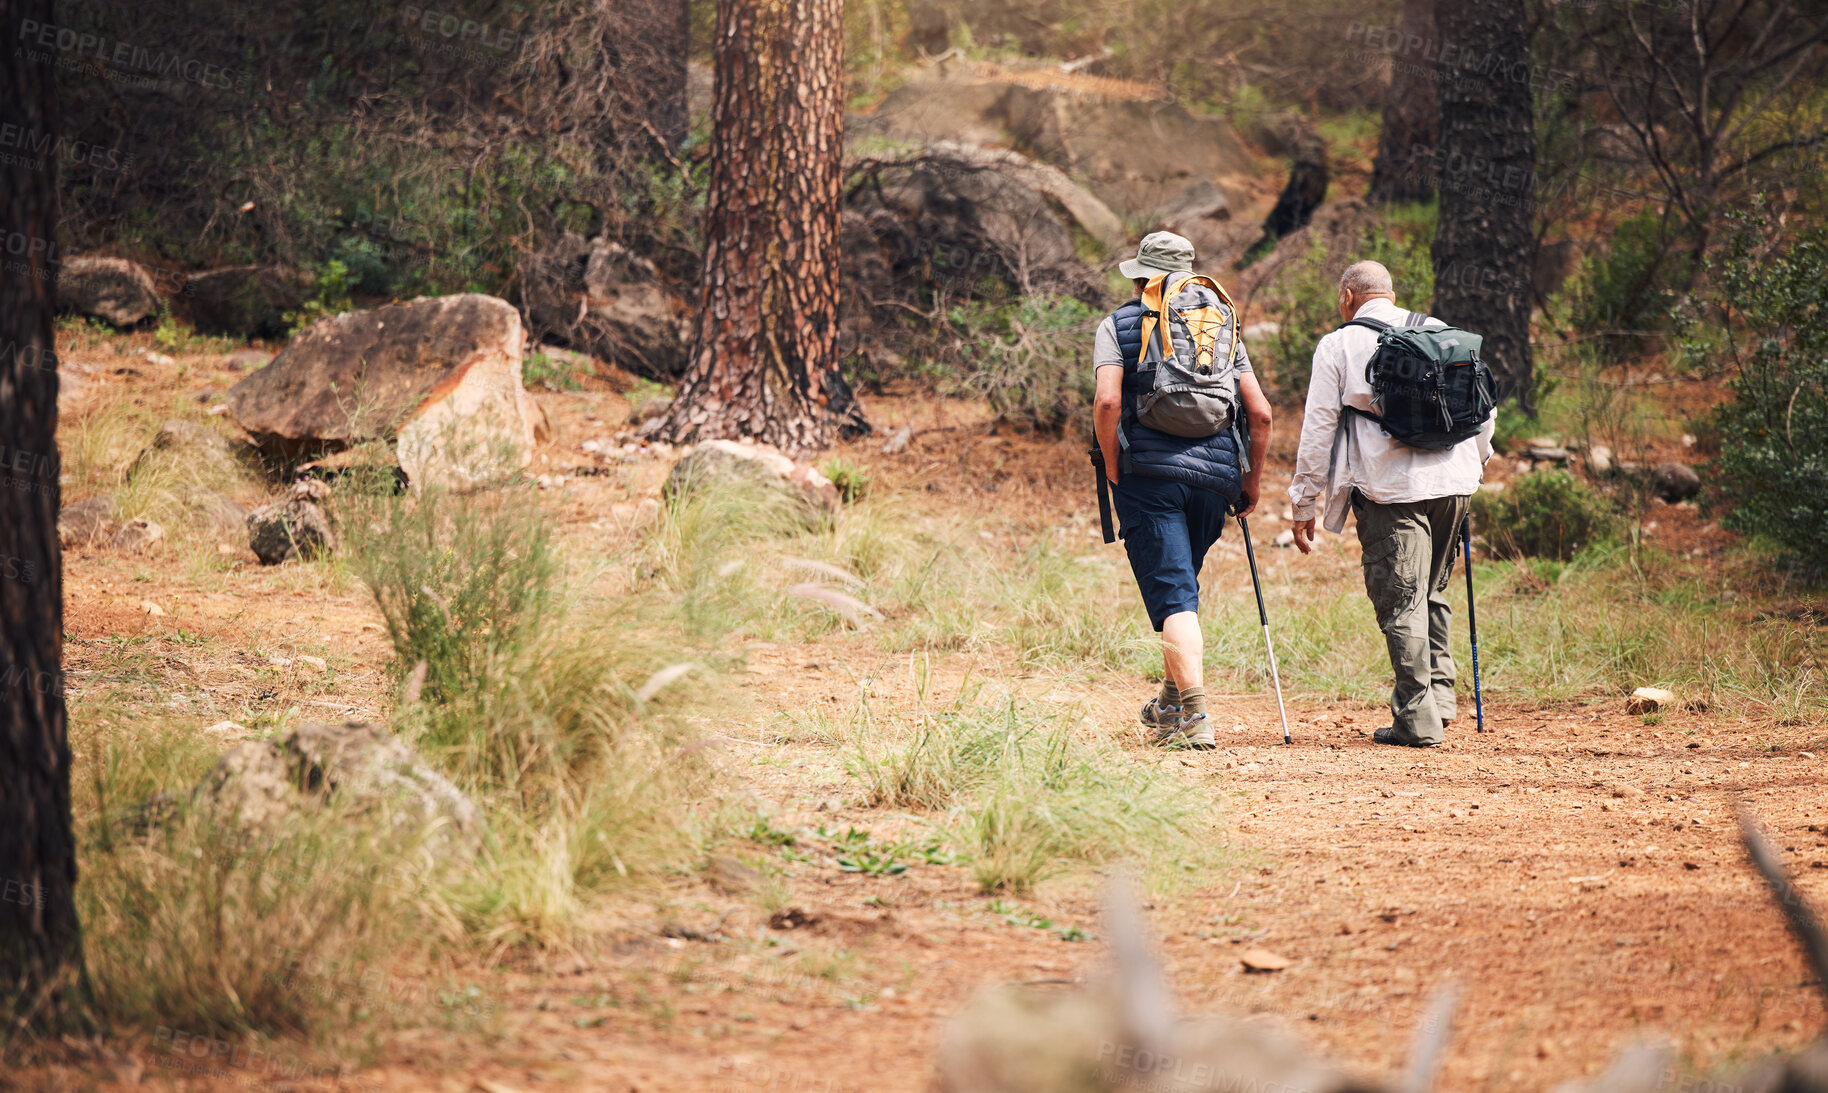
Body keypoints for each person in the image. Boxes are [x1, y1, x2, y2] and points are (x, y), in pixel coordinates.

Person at [1287, 260, 1495, 748]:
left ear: (1347, 297)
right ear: (1392, 293)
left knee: (1400, 600)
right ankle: (1441, 701)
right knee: (1431, 589)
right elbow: (1483, 407)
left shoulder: (1338, 344)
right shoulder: (1440, 331)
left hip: (1387, 486)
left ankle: (1416, 719)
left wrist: (1304, 502)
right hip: (1455, 482)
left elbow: (1318, 427)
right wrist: (1476, 466)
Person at [1093, 232, 1274, 749]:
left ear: (1141, 277)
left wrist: (1113, 467)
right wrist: (1250, 482)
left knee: (1174, 598)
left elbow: (1108, 403)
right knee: (1182, 592)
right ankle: (1170, 702)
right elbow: (1259, 413)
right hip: (1215, 482)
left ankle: (1194, 716)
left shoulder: (1119, 324)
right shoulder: (1220, 326)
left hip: (1149, 480)